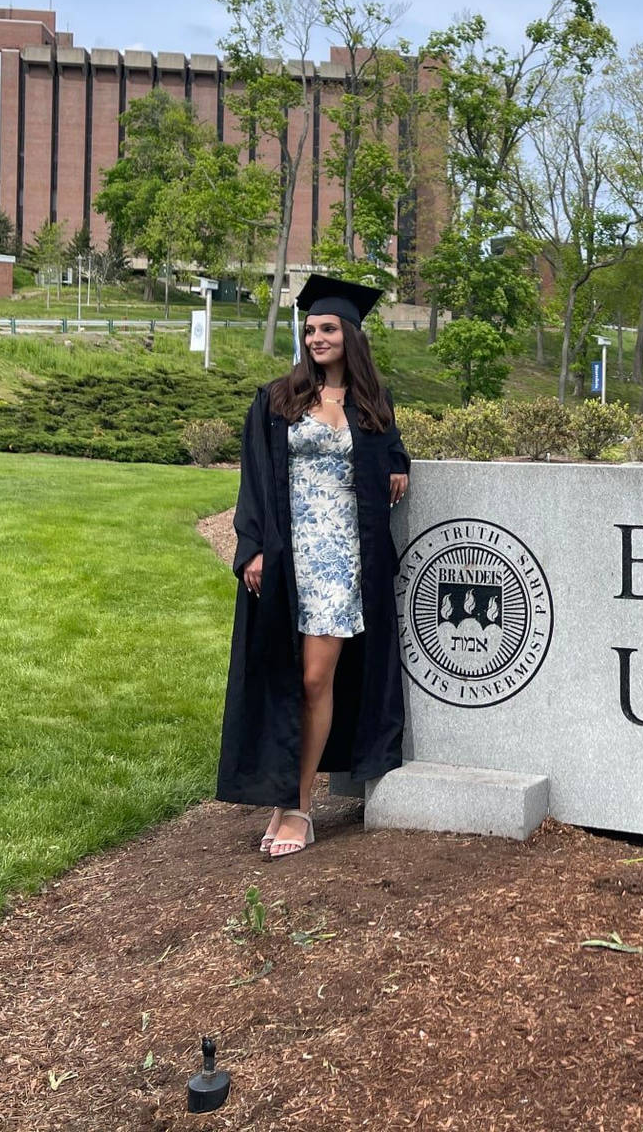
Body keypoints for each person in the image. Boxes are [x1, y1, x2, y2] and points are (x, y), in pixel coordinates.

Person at [217, 274, 412, 856]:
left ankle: (299, 807)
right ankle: (286, 798)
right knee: (284, 678)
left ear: (350, 336)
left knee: (314, 679)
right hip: (285, 555)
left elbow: (388, 452)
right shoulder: (279, 400)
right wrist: (251, 544)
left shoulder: (372, 406)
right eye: (309, 330)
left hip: (340, 559)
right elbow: (254, 476)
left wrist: (399, 463)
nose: (316, 338)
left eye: (327, 328)